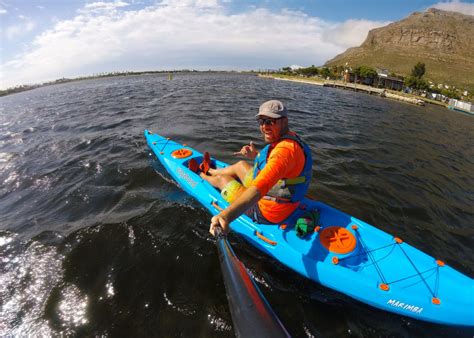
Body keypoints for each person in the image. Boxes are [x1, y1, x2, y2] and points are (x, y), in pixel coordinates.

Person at [197, 100, 313, 236]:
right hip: (280, 195)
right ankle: (210, 170)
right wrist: (255, 155)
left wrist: (225, 216)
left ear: (285, 121)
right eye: (262, 121)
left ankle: (201, 174)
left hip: (268, 211)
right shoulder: (290, 138)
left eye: (271, 121)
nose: (265, 127)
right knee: (241, 165)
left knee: (223, 180)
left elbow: (259, 188)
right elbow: (276, 166)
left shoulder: (285, 152)